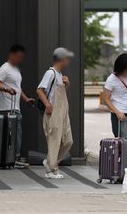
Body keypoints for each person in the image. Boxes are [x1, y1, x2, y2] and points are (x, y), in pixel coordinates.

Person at [0, 44, 35, 169]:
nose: (20, 59)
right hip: (8, 108)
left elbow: (18, 88)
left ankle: (13, 158)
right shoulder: (4, 69)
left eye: (22, 57)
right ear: (11, 55)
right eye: (18, 57)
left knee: (17, 134)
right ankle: (13, 159)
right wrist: (7, 89)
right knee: (13, 135)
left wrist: (26, 99)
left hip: (16, 107)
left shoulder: (16, 70)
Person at [37, 47, 74, 179]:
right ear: (61, 59)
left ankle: (50, 162)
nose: (68, 60)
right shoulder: (51, 73)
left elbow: (59, 94)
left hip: (63, 113)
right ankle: (51, 170)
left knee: (68, 141)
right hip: (53, 113)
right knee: (54, 141)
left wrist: (67, 84)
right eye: (67, 58)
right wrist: (47, 105)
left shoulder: (60, 75)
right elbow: (40, 90)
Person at [102, 53, 127, 152]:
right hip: (119, 115)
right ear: (120, 68)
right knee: (122, 142)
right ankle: (122, 164)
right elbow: (106, 99)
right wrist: (117, 112)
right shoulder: (111, 80)